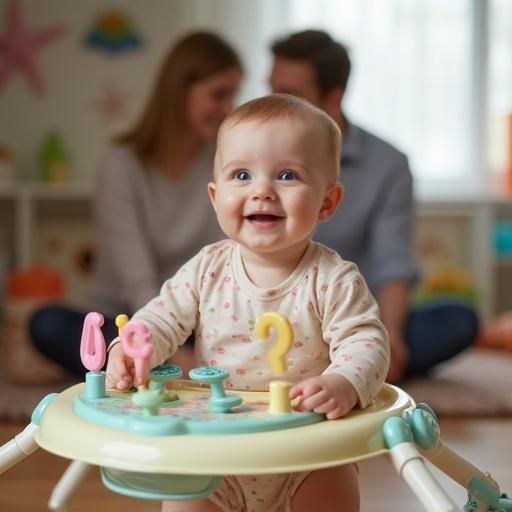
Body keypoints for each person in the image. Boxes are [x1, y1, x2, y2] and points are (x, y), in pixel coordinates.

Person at [106, 94, 389, 512]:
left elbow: (367, 342)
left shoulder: (334, 279)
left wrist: (343, 382)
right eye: (241, 175)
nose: (262, 192)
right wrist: (131, 350)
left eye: (287, 175)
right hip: (213, 449)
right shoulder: (207, 268)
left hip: (307, 452)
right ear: (215, 196)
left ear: (327, 203)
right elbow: (162, 316)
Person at [269, 30, 479, 382]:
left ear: (333, 98)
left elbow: (392, 260)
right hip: (271, 316)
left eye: (291, 96)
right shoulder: (257, 152)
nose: (275, 104)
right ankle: (338, 368)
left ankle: (349, 361)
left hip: (353, 320)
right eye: (272, 89)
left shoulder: (387, 164)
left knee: (458, 320)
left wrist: (389, 336)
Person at [30, 31, 243, 376]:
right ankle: (142, 364)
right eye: (218, 95)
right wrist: (162, 342)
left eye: (232, 95)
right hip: (127, 318)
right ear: (179, 92)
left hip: (190, 321)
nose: (227, 108)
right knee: (46, 324)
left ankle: (138, 372)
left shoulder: (226, 164)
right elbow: (136, 280)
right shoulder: (121, 166)